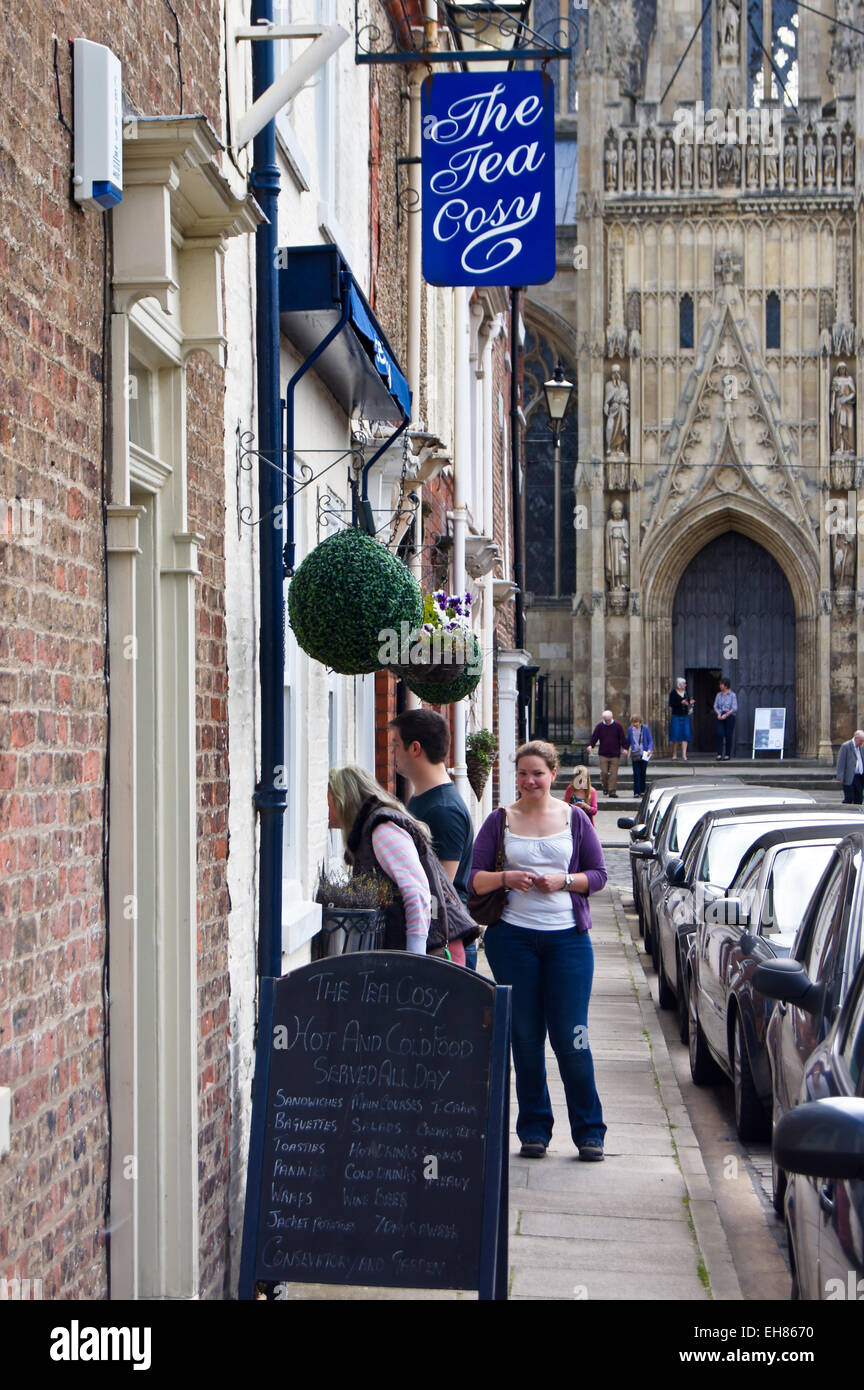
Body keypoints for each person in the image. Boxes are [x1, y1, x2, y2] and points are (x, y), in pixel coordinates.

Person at [469, 741, 608, 1161]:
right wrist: (506, 877)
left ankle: (589, 1131)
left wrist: (564, 881)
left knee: (573, 1038)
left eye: (538, 774)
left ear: (553, 775)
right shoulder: (500, 820)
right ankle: (534, 1130)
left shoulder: (575, 819)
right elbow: (474, 880)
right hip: (512, 940)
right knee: (525, 1038)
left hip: (568, 941)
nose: (530, 781)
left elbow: (598, 875)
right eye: (524, 774)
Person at [327, 764, 467, 965]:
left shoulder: (382, 830)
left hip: (432, 956)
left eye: (328, 799)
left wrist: (414, 962)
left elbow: (417, 894)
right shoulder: (371, 829)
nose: (325, 808)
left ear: (345, 799)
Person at [390, 708, 476, 969]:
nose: (392, 752)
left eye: (395, 744)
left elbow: (438, 890)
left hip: (444, 947)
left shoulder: (443, 810)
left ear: (414, 748)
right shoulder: (422, 799)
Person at [587, 708, 628, 798]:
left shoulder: (618, 726)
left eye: (609, 720)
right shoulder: (600, 726)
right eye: (606, 720)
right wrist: (591, 745)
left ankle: (612, 792)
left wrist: (625, 748)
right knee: (604, 772)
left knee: (614, 774)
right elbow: (594, 737)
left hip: (615, 754)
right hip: (603, 753)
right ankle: (605, 787)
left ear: (612, 718)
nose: (607, 722)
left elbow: (622, 738)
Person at [668, 677, 694, 761]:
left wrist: (690, 702)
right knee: (675, 735)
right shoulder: (673, 693)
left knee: (685, 735)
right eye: (683, 684)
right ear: (679, 685)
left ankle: (684, 755)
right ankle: (674, 754)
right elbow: (671, 704)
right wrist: (680, 703)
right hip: (676, 716)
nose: (685, 685)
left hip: (685, 716)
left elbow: (689, 702)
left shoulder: (686, 693)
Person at [626, 716, 653, 796]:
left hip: (644, 753)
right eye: (633, 722)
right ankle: (636, 792)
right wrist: (626, 749)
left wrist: (649, 749)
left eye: (636, 722)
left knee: (643, 773)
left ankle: (642, 790)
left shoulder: (645, 729)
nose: (635, 724)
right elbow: (628, 741)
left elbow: (650, 740)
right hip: (635, 753)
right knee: (636, 773)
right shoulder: (630, 730)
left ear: (640, 722)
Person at [836, 730, 864, 804]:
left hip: (859, 776)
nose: (862, 743)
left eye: (863, 741)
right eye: (861, 741)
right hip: (849, 776)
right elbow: (841, 762)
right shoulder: (846, 746)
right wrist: (840, 777)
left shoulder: (861, 747)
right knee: (849, 797)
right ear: (856, 738)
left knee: (859, 798)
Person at [713, 678, 737, 760]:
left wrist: (726, 715)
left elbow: (734, 708)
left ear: (726, 686)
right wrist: (718, 713)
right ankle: (719, 754)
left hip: (729, 716)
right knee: (719, 734)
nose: (720, 686)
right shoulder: (718, 695)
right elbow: (715, 706)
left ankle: (727, 754)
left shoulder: (732, 695)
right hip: (720, 715)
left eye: (721, 684)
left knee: (728, 735)